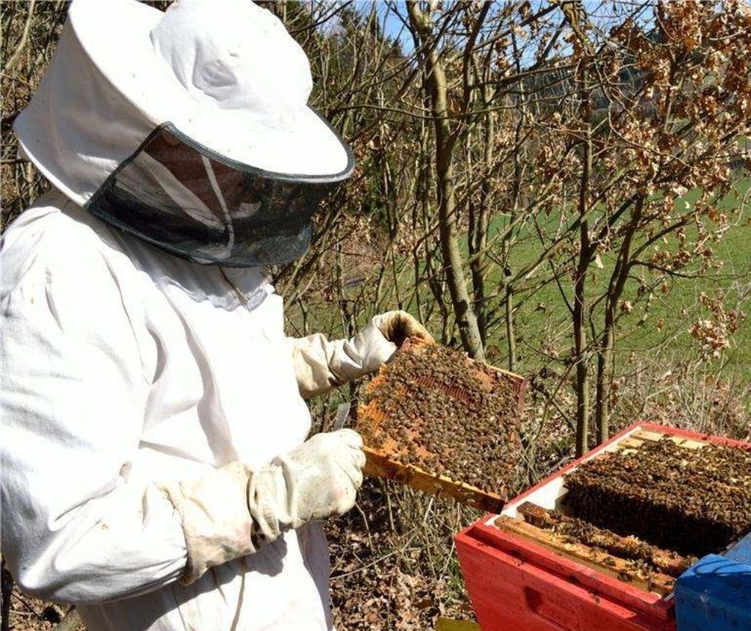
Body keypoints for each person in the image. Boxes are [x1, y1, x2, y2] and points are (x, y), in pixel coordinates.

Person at [0, 0, 432, 629]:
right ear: (162, 132)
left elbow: (203, 374)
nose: (241, 181)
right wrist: (264, 501)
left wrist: (335, 359)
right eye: (230, 158)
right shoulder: (59, 265)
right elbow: (58, 543)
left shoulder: (192, 227)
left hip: (283, 597)